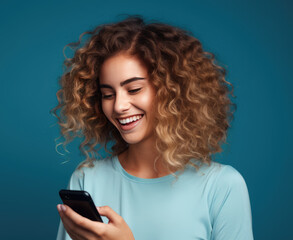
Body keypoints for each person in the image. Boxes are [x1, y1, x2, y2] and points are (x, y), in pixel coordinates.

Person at [53, 16, 253, 240]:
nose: (118, 106)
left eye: (134, 89)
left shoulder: (222, 187)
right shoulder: (87, 179)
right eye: (107, 94)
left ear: (171, 90)